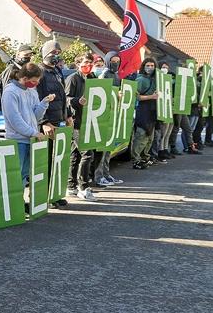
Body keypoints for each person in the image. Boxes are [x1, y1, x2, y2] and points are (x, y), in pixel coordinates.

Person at [1, 62, 54, 185]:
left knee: (24, 174)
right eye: (35, 81)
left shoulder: (32, 91)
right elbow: (15, 120)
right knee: (15, 175)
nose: (37, 84)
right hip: (18, 140)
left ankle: (20, 200)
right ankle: (14, 202)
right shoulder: (10, 92)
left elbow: (35, 116)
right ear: (24, 78)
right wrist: (33, 132)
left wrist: (44, 103)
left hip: (30, 139)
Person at [36, 41, 71, 207]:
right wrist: (44, 122)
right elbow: (38, 98)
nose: (56, 54)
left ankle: (55, 195)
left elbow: (63, 96)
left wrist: (68, 115)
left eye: (58, 51)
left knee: (58, 160)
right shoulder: (40, 72)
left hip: (60, 121)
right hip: (48, 124)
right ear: (45, 53)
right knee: (46, 162)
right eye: (53, 51)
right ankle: (44, 197)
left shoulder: (57, 71)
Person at [65, 53, 100, 201]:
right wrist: (77, 101)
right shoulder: (73, 78)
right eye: (85, 63)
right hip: (77, 121)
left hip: (90, 120)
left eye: (91, 63)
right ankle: (83, 187)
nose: (89, 65)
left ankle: (71, 185)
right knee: (87, 153)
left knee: (75, 154)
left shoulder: (92, 78)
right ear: (78, 64)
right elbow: (65, 98)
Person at [93, 51, 124, 186]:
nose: (115, 63)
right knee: (102, 148)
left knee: (108, 148)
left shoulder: (116, 75)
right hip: (103, 115)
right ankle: (99, 176)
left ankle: (106, 173)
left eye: (117, 61)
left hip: (112, 114)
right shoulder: (104, 74)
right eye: (113, 61)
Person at [130, 58, 160, 170]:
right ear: (143, 66)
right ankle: (136, 160)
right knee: (141, 135)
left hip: (153, 110)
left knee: (150, 137)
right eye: (148, 65)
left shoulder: (156, 79)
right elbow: (136, 96)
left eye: (152, 65)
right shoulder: (140, 79)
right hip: (143, 110)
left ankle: (144, 158)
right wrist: (151, 97)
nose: (150, 68)